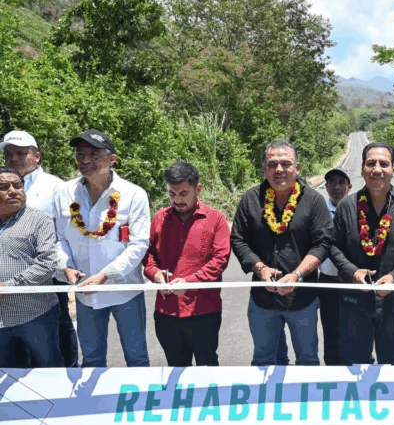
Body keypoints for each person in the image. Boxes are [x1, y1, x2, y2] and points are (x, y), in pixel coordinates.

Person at [53, 130, 150, 367]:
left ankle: (139, 405)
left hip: (125, 290)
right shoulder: (64, 193)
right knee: (92, 358)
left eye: (94, 154)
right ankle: (95, 405)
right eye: (80, 154)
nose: (85, 160)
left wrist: (105, 275)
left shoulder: (133, 194)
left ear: (111, 159)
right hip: (86, 294)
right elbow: (59, 239)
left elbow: (138, 245)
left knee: (136, 357)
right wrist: (66, 267)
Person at [231, 138, 332, 366]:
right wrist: (260, 269)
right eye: (272, 164)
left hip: (303, 300)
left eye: (286, 164)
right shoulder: (250, 200)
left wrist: (297, 275)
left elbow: (322, 243)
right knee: (264, 360)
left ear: (297, 168)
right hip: (262, 300)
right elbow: (239, 240)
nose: (279, 169)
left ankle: (304, 401)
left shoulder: (314, 201)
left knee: (307, 359)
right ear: (264, 169)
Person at [330, 142, 394, 365]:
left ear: (393, 170)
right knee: (354, 365)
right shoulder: (346, 205)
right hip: (354, 302)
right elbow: (333, 246)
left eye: (384, 164)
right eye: (370, 163)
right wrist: (352, 272)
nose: (377, 169)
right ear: (362, 169)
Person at [1, 131, 78, 367]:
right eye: (9, 154)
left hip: (50, 275)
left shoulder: (57, 187)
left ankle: (68, 376)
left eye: (21, 153)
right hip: (7, 288)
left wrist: (67, 266)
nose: (14, 158)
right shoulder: (2, 181)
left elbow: (69, 230)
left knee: (58, 333)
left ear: (37, 156)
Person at [143, 162, 231, 366]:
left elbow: (220, 260)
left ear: (197, 189)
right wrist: (154, 273)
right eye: (172, 194)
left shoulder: (215, 219)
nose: (177, 200)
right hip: (166, 312)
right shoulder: (159, 218)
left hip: (203, 311)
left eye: (183, 193)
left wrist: (190, 282)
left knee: (207, 364)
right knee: (175, 367)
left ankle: (210, 399)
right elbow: (147, 254)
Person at [0, 168, 64, 368]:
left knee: (50, 370)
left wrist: (8, 286)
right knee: (9, 376)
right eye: (4, 187)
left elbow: (47, 262)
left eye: (18, 186)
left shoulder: (40, 220)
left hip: (35, 313)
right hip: (1, 320)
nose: (13, 191)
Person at [318, 167, 353, 366]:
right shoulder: (319, 211)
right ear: (326, 186)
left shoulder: (358, 209)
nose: (337, 187)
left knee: (355, 330)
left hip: (351, 282)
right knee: (331, 330)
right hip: (328, 282)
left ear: (349, 186)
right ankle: (333, 373)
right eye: (332, 182)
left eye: (341, 182)